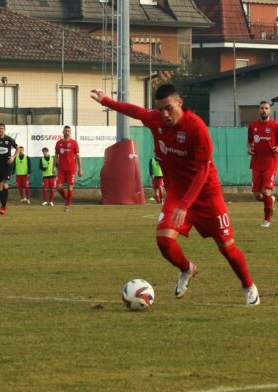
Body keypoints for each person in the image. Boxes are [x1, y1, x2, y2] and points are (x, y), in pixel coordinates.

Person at [90, 84, 260, 305]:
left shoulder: (197, 128)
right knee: (164, 242)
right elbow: (136, 111)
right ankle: (187, 269)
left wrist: (185, 205)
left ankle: (248, 286)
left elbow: (202, 170)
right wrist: (106, 101)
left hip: (207, 195)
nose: (164, 114)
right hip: (178, 194)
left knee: (227, 248)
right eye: (160, 109)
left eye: (168, 108)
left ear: (179, 103)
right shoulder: (156, 120)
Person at [247, 100, 278, 228]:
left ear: (270, 111)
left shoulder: (275, 126)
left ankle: (267, 220)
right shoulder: (252, 126)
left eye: (266, 108)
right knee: (258, 196)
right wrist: (249, 149)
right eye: (262, 108)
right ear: (258, 110)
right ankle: (271, 200)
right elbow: (249, 143)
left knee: (266, 192)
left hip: (270, 163)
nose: (264, 110)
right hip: (256, 164)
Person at [55, 125, 82, 212]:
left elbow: (78, 156)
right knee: (59, 187)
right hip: (61, 169)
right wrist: (53, 167)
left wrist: (80, 169)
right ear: (63, 132)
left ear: (70, 133)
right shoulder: (58, 143)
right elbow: (56, 156)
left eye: (68, 131)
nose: (67, 132)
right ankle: (67, 199)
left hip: (71, 169)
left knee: (70, 187)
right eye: (65, 131)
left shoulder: (74, 143)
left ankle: (67, 206)